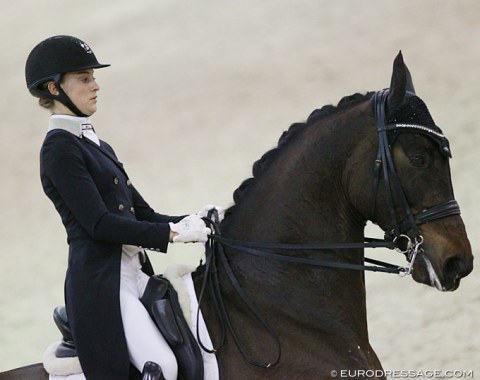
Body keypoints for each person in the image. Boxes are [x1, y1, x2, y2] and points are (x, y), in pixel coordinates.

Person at [25, 35, 219, 380]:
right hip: (102, 286)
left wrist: (193, 220)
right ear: (54, 88)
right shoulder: (59, 149)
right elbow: (99, 224)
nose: (96, 86)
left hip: (135, 274)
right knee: (164, 366)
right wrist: (172, 234)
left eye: (93, 78)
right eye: (85, 79)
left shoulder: (97, 144)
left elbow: (142, 215)